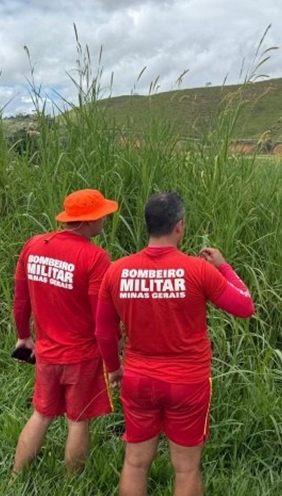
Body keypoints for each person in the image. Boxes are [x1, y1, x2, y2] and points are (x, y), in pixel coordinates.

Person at [96, 191, 254, 496]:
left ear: (148, 225)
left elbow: (104, 331)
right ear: (179, 226)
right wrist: (223, 266)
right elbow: (245, 307)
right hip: (188, 383)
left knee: (135, 463)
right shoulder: (198, 270)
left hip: (139, 379)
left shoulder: (116, 270)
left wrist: (114, 370)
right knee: (186, 468)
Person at [12, 188, 119, 475]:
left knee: (42, 414)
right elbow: (102, 319)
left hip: (46, 352)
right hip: (82, 355)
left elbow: (21, 301)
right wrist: (113, 362)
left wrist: (24, 336)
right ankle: (73, 484)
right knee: (78, 420)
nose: (105, 220)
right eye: (102, 215)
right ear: (87, 221)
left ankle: (14, 478)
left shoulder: (34, 245)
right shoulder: (96, 258)